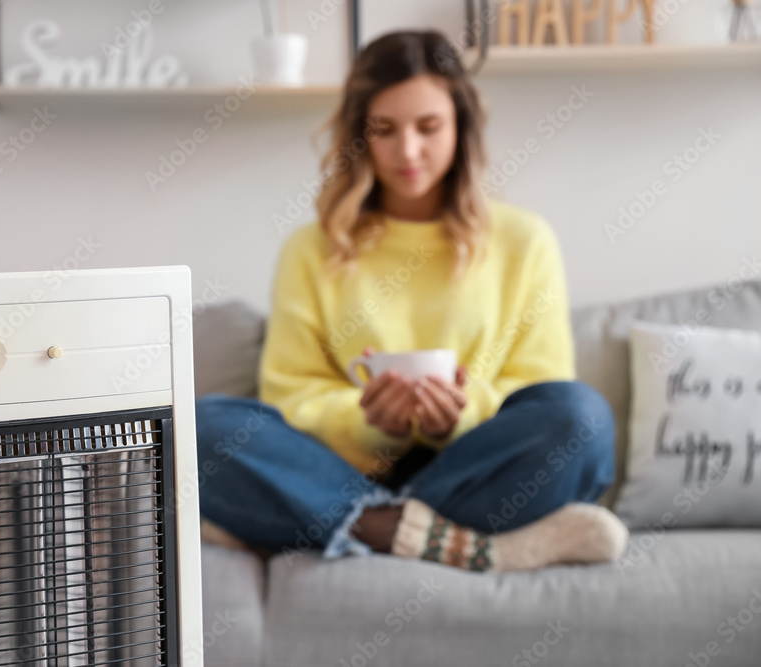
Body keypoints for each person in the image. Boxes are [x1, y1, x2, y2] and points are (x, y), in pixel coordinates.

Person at [194, 30, 628, 572]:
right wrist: (372, 421)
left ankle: (345, 527)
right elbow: (289, 397)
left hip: (476, 469)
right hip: (338, 469)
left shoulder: (524, 241)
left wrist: (458, 415)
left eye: (429, 128)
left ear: (461, 127)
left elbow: (541, 387)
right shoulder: (311, 248)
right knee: (197, 430)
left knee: (581, 418)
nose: (408, 151)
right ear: (360, 133)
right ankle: (464, 546)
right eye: (385, 129)